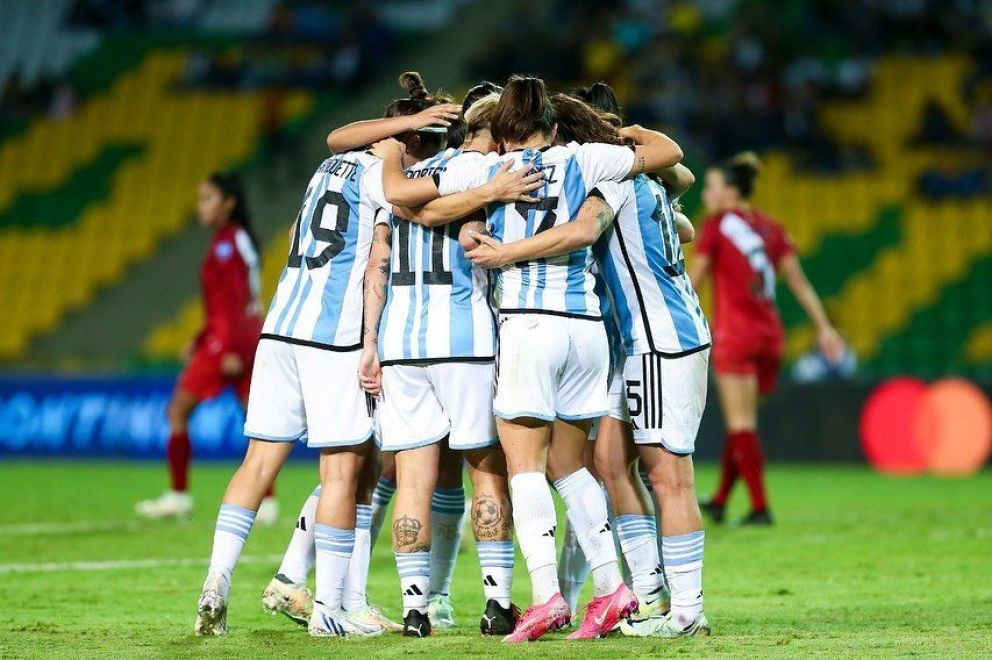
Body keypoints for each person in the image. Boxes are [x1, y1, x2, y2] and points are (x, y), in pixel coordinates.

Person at [426, 75, 684, 643]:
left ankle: (547, 596)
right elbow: (669, 153)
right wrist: (622, 133)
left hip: (529, 325)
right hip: (585, 331)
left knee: (525, 467)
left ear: (503, 128)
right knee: (570, 466)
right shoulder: (588, 159)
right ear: (551, 122)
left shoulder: (489, 168)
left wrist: (479, 225)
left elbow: (421, 207)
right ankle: (613, 589)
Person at [361, 89, 524, 638]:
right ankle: (497, 603)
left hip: (402, 344)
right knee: (486, 470)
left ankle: (415, 609)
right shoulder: (481, 170)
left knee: (412, 480)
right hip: (465, 340)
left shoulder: (400, 180)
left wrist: (370, 342)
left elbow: (379, 259)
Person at [692, 152, 844, 525]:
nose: (707, 195)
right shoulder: (771, 228)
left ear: (731, 191)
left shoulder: (716, 226)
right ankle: (721, 500)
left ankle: (760, 507)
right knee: (743, 424)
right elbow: (799, 282)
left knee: (740, 424)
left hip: (736, 335)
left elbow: (693, 283)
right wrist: (824, 327)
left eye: (711, 187)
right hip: (770, 336)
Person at [136, 173, 276, 524]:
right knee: (255, 420)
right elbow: (227, 302)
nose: (201, 206)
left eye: (207, 198)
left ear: (229, 202)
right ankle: (267, 502)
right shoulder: (237, 239)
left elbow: (233, 300)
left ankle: (178, 495)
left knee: (177, 412)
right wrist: (200, 337)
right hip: (245, 336)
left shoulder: (227, 243)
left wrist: (226, 347)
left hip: (230, 341)